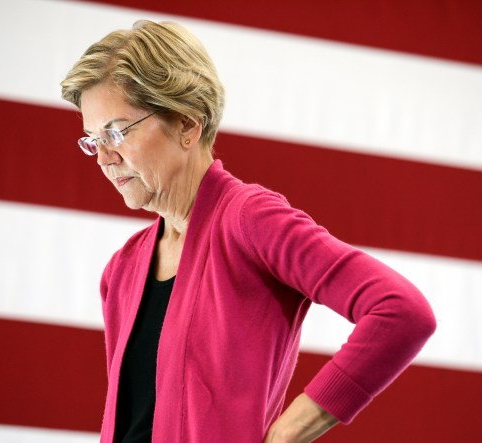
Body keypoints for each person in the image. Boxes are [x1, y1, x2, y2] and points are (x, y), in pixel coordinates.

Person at [60, 19, 436, 443]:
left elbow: (401, 312)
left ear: (186, 124)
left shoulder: (249, 219)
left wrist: (291, 431)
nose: (104, 157)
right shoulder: (122, 269)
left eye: (115, 131)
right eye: (92, 139)